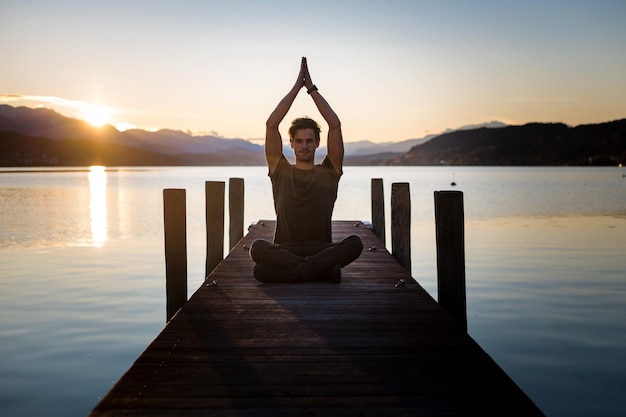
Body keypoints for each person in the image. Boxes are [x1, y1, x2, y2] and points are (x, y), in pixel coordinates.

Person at [249, 57, 363, 283]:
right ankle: (319, 271)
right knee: (257, 248)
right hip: (285, 250)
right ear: (290, 144)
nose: (304, 146)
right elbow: (271, 125)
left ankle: (301, 271)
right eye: (299, 141)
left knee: (356, 242)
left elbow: (335, 125)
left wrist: (311, 89)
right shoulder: (280, 171)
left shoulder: (330, 172)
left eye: (309, 141)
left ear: (317, 143)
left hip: (321, 250)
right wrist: (295, 88)